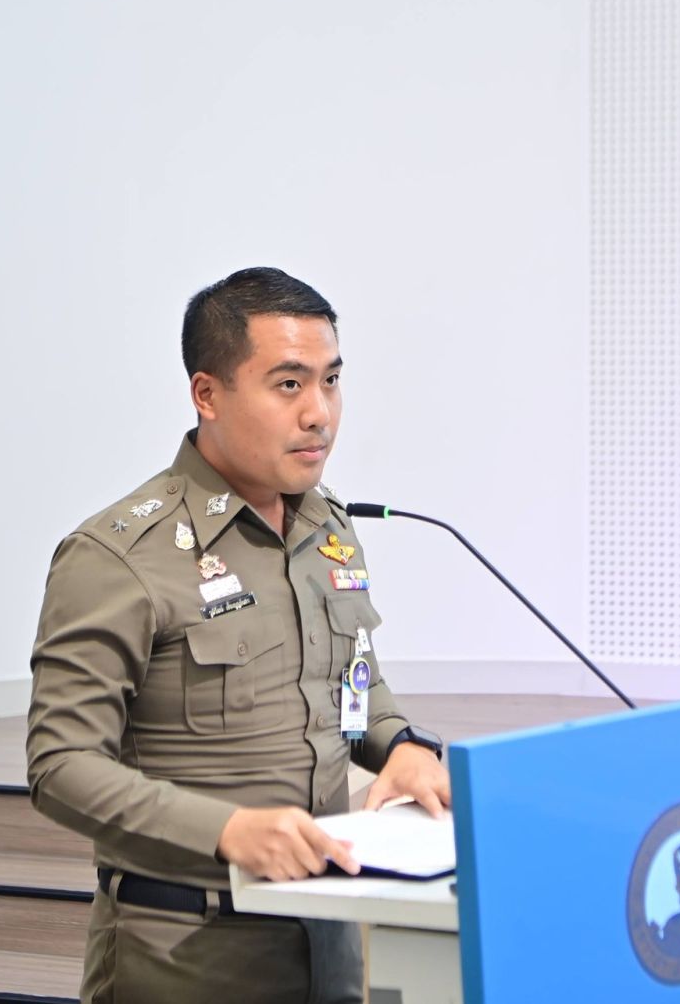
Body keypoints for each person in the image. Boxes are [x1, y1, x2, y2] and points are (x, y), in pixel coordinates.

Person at [26, 267, 452, 1004]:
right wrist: (228, 831)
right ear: (207, 394)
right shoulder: (118, 557)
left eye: (331, 381)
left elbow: (353, 694)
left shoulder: (328, 529)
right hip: (187, 957)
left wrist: (402, 745)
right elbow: (60, 765)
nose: (320, 414)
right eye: (289, 385)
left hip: (332, 939)